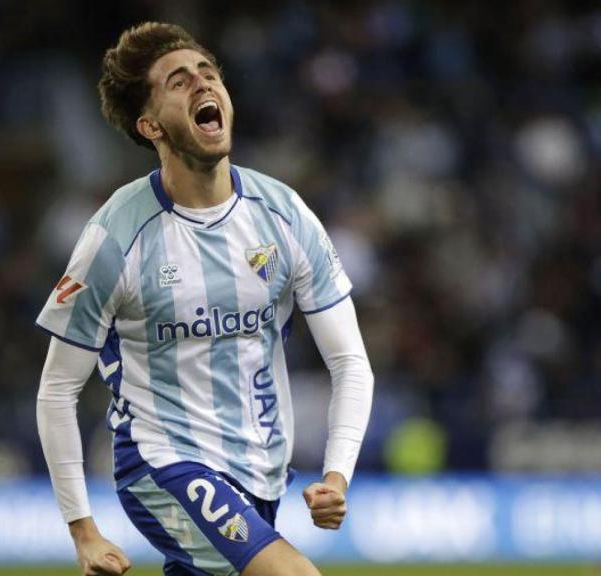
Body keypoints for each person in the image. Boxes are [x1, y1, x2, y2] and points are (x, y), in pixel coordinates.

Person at [35, 22, 374, 576]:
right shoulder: (115, 237)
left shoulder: (284, 213)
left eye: (208, 74)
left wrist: (336, 474)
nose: (201, 85)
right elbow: (57, 389)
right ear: (150, 125)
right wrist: (84, 530)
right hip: (161, 462)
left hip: (261, 473)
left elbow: (350, 362)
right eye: (178, 82)